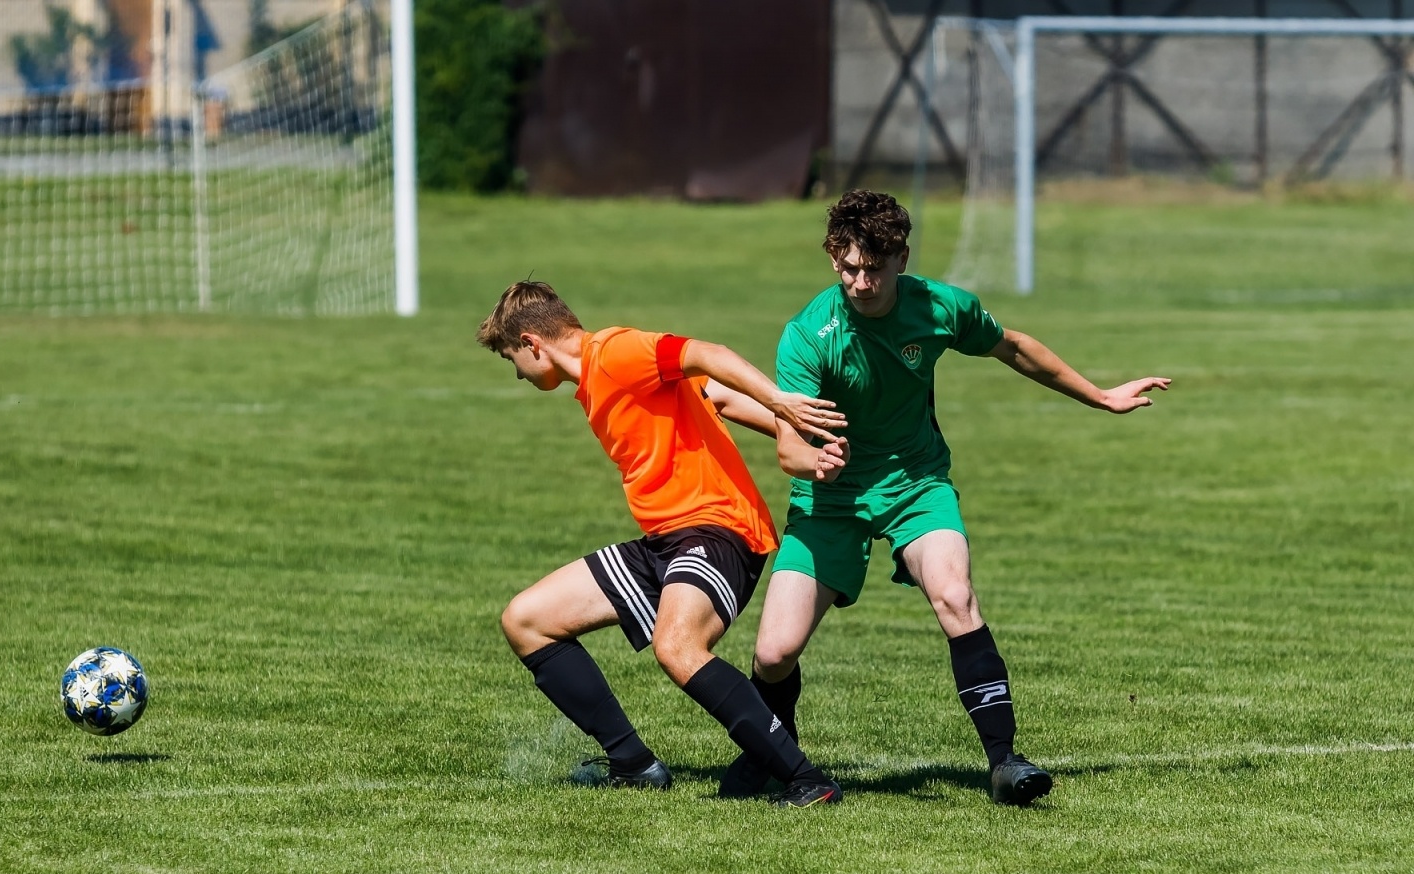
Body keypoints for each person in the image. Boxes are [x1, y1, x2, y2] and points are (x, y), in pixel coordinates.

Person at [724, 189, 1172, 805]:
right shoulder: (808, 334)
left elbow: (1012, 347)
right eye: (849, 267)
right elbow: (787, 448)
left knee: (955, 596)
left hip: (916, 483)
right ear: (833, 259)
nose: (861, 283)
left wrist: (1098, 395)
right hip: (830, 499)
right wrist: (816, 460)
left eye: (874, 269)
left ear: (901, 257)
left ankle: (1005, 762)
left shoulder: (938, 307)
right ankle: (776, 753)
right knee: (774, 653)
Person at [477, 280, 851, 807]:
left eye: (512, 357)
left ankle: (807, 780)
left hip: (719, 531)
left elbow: (707, 355)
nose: (517, 373)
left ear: (534, 343)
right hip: (665, 543)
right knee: (527, 620)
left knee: (676, 647)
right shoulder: (600, 381)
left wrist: (783, 403)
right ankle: (632, 764)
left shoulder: (614, 353)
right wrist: (805, 444)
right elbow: (713, 395)